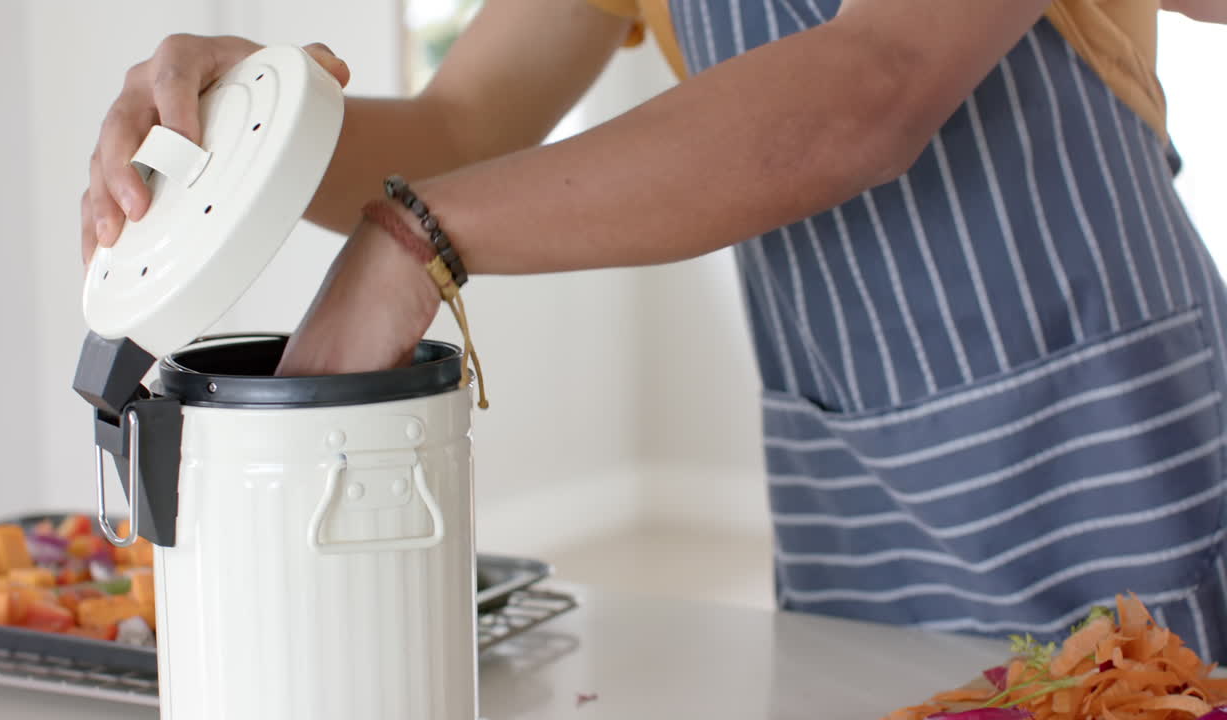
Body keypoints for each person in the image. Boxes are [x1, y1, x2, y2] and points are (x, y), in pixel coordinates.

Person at [81, 0, 1227, 658]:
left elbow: (869, 89)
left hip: (1102, 443)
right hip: (853, 471)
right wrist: (240, 135)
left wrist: (412, 239)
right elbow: (460, 121)